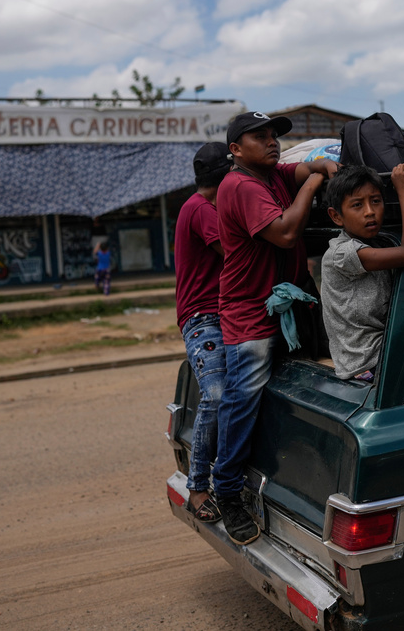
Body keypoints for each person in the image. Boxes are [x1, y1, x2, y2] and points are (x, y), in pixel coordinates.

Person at [214, 111, 338, 545]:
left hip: (286, 307)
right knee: (242, 400)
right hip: (250, 313)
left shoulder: (272, 175)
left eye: (273, 136)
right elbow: (285, 233)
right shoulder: (241, 185)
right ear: (235, 150)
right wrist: (312, 183)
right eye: (259, 137)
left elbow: (305, 166)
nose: (271, 142)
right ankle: (227, 491)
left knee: (298, 392)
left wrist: (321, 165)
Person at [320, 162, 404, 381]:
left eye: (376, 201)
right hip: (367, 362)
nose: (370, 212)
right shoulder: (342, 253)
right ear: (336, 216)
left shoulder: (377, 243)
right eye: (357, 205)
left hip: (388, 350)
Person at [173, 142, 232, 524]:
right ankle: (197, 489)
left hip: (217, 315)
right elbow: (235, 252)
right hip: (203, 317)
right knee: (215, 395)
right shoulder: (201, 210)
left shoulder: (199, 207)